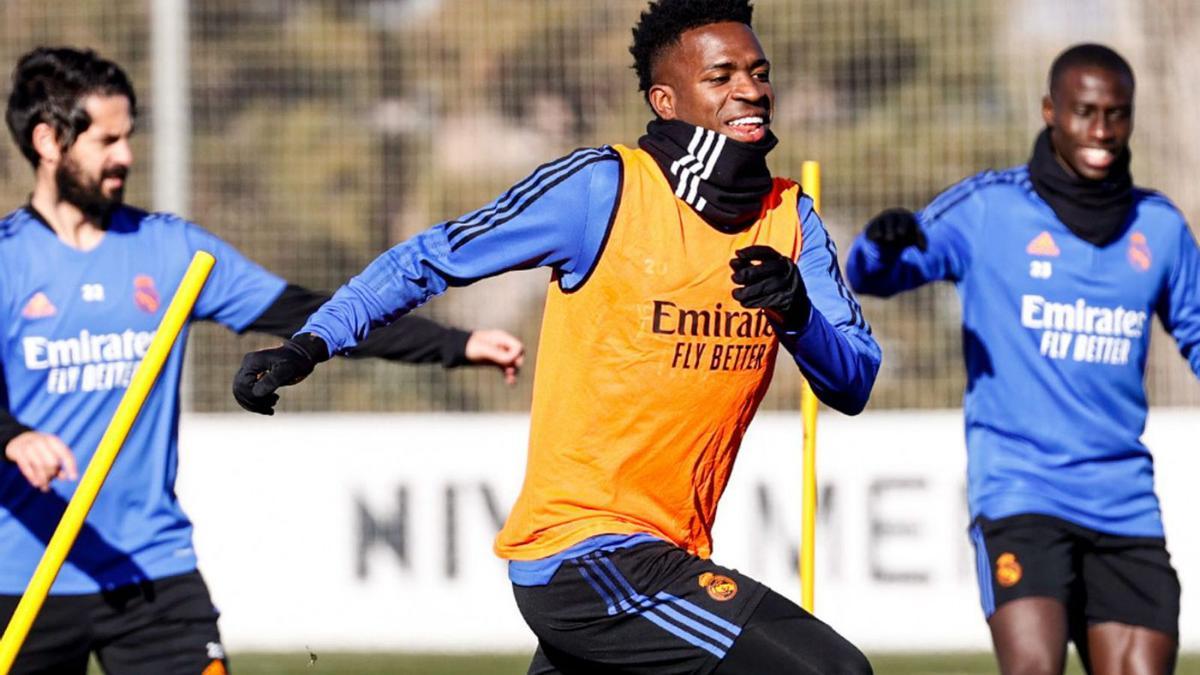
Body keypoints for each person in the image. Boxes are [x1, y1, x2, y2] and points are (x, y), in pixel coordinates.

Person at [235, 1, 881, 673]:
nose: (751, 89)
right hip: (585, 555)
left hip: (667, 555)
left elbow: (855, 378)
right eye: (721, 76)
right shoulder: (601, 188)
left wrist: (799, 313)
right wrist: (310, 343)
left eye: (758, 71)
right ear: (666, 100)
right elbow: (428, 258)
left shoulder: (790, 217)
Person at [0, 46, 524, 675]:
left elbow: (304, 311)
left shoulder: (169, 249)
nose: (126, 157)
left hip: (152, 573)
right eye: (107, 140)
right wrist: (14, 438)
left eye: (129, 137)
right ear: (48, 140)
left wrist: (455, 345)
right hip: (23, 571)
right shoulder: (9, 260)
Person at [846, 44, 1199, 675]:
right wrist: (879, 244)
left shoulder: (1160, 227)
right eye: (1085, 111)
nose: (1101, 130)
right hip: (1020, 491)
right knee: (1034, 667)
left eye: (1116, 114)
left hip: (1123, 500)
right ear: (1050, 111)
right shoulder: (989, 209)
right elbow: (878, 274)